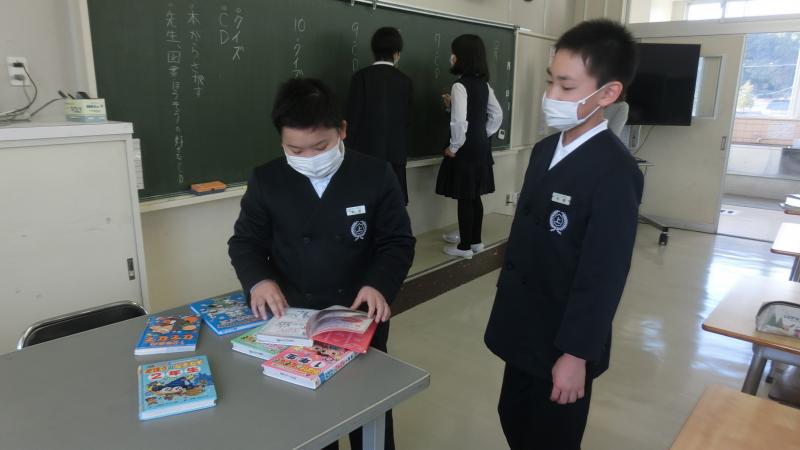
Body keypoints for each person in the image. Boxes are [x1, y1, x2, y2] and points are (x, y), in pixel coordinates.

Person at [228, 77, 415, 450]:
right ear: (282, 142)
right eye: (295, 149)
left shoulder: (375, 174)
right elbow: (245, 243)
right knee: (309, 417)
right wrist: (260, 281)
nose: (309, 158)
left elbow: (397, 241)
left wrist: (379, 284)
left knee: (367, 411)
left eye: (320, 147)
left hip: (359, 313)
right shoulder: (267, 179)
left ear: (342, 130)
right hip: (294, 315)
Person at [483, 19, 643, 449]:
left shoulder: (615, 171)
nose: (551, 96)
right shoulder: (544, 151)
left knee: (551, 437)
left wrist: (576, 355)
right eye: (550, 81)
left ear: (607, 93)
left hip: (564, 341)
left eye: (567, 87)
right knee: (514, 417)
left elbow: (604, 275)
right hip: (524, 327)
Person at [435, 34, 503, 259]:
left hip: (465, 147)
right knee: (474, 195)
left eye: (453, 52)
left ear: (461, 57)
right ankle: (475, 242)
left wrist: (454, 147)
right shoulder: (484, 85)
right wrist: (483, 133)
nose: (451, 57)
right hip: (481, 146)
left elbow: (459, 121)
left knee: (465, 196)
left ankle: (464, 247)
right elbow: (497, 114)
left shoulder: (459, 85)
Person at [345, 26, 413, 204]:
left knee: (365, 206)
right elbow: (408, 121)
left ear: (374, 50)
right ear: (397, 54)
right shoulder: (405, 81)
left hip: (365, 157)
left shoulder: (361, 78)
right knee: (392, 206)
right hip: (396, 157)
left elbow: (352, 120)